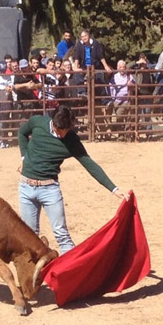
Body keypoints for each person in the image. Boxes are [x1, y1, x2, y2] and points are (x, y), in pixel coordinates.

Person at [17, 105, 128, 253]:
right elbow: (22, 133)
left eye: (66, 130)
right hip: (26, 187)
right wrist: (24, 156)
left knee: (61, 234)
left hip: (49, 189)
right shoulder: (37, 122)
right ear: (53, 123)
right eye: (59, 130)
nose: (63, 134)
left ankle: (72, 274)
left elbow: (89, 163)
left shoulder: (72, 140)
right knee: (29, 237)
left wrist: (113, 188)